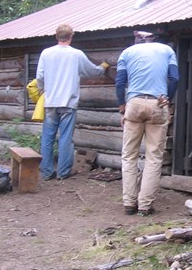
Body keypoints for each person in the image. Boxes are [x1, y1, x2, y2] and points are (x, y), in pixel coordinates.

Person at [116, 30, 179, 216]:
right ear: (154, 39)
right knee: (153, 156)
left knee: (129, 155)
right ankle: (145, 205)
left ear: (137, 40)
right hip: (157, 102)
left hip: (133, 103)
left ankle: (129, 203)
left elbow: (120, 82)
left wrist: (122, 105)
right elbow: (174, 78)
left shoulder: (127, 52)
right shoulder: (167, 50)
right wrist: (167, 98)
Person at [36, 24, 109, 181]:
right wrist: (102, 68)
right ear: (71, 36)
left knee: (47, 138)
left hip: (50, 102)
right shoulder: (76, 54)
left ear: (56, 36)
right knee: (65, 138)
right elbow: (92, 71)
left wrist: (43, 91)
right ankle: (63, 172)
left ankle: (46, 172)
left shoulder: (46, 53)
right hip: (68, 103)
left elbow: (40, 77)